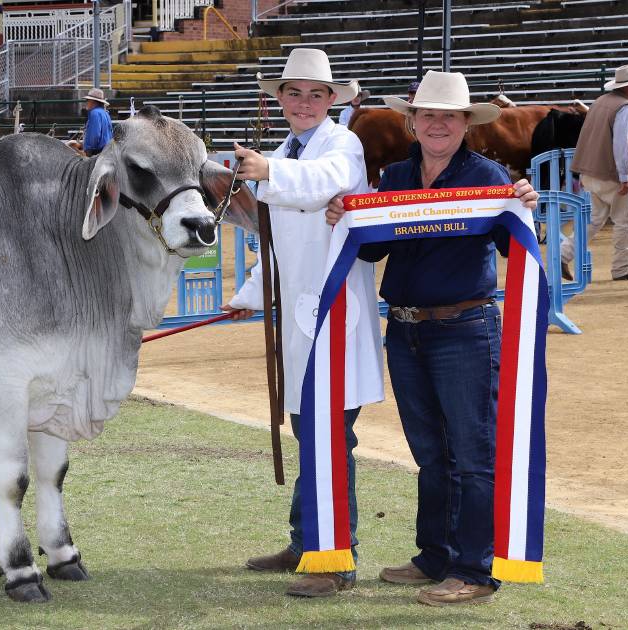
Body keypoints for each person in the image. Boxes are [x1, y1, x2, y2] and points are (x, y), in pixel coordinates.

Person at [324, 70, 540, 607]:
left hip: (465, 329)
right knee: (430, 452)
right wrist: (345, 219)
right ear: (412, 121)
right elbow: (373, 251)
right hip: (405, 328)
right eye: (427, 114)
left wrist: (523, 207)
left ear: (466, 124)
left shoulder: (488, 176)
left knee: (472, 453)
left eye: (448, 116)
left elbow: (514, 249)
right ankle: (435, 555)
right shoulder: (395, 176)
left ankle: (474, 570)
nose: (437, 124)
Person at [223, 48, 383, 599]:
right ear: (281, 100)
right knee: (309, 430)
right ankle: (306, 540)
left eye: (317, 94)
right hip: (299, 317)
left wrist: (270, 171)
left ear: (333, 100)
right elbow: (275, 238)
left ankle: (336, 558)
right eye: (295, 93)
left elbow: (324, 183)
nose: (306, 103)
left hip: (336, 315)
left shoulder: (342, 145)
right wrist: (248, 294)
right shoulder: (286, 150)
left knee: (329, 435)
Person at [563, 63, 628, 281]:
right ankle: (621, 269)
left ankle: (563, 255)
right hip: (612, 174)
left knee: (594, 220)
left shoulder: (600, 102)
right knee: (624, 222)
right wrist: (625, 176)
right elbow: (621, 145)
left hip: (591, 171)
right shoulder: (625, 108)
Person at [82, 88, 113, 156]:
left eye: (88, 100)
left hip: (97, 153)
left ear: (93, 101)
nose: (86, 102)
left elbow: (94, 135)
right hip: (107, 150)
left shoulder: (94, 113)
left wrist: (88, 151)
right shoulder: (105, 113)